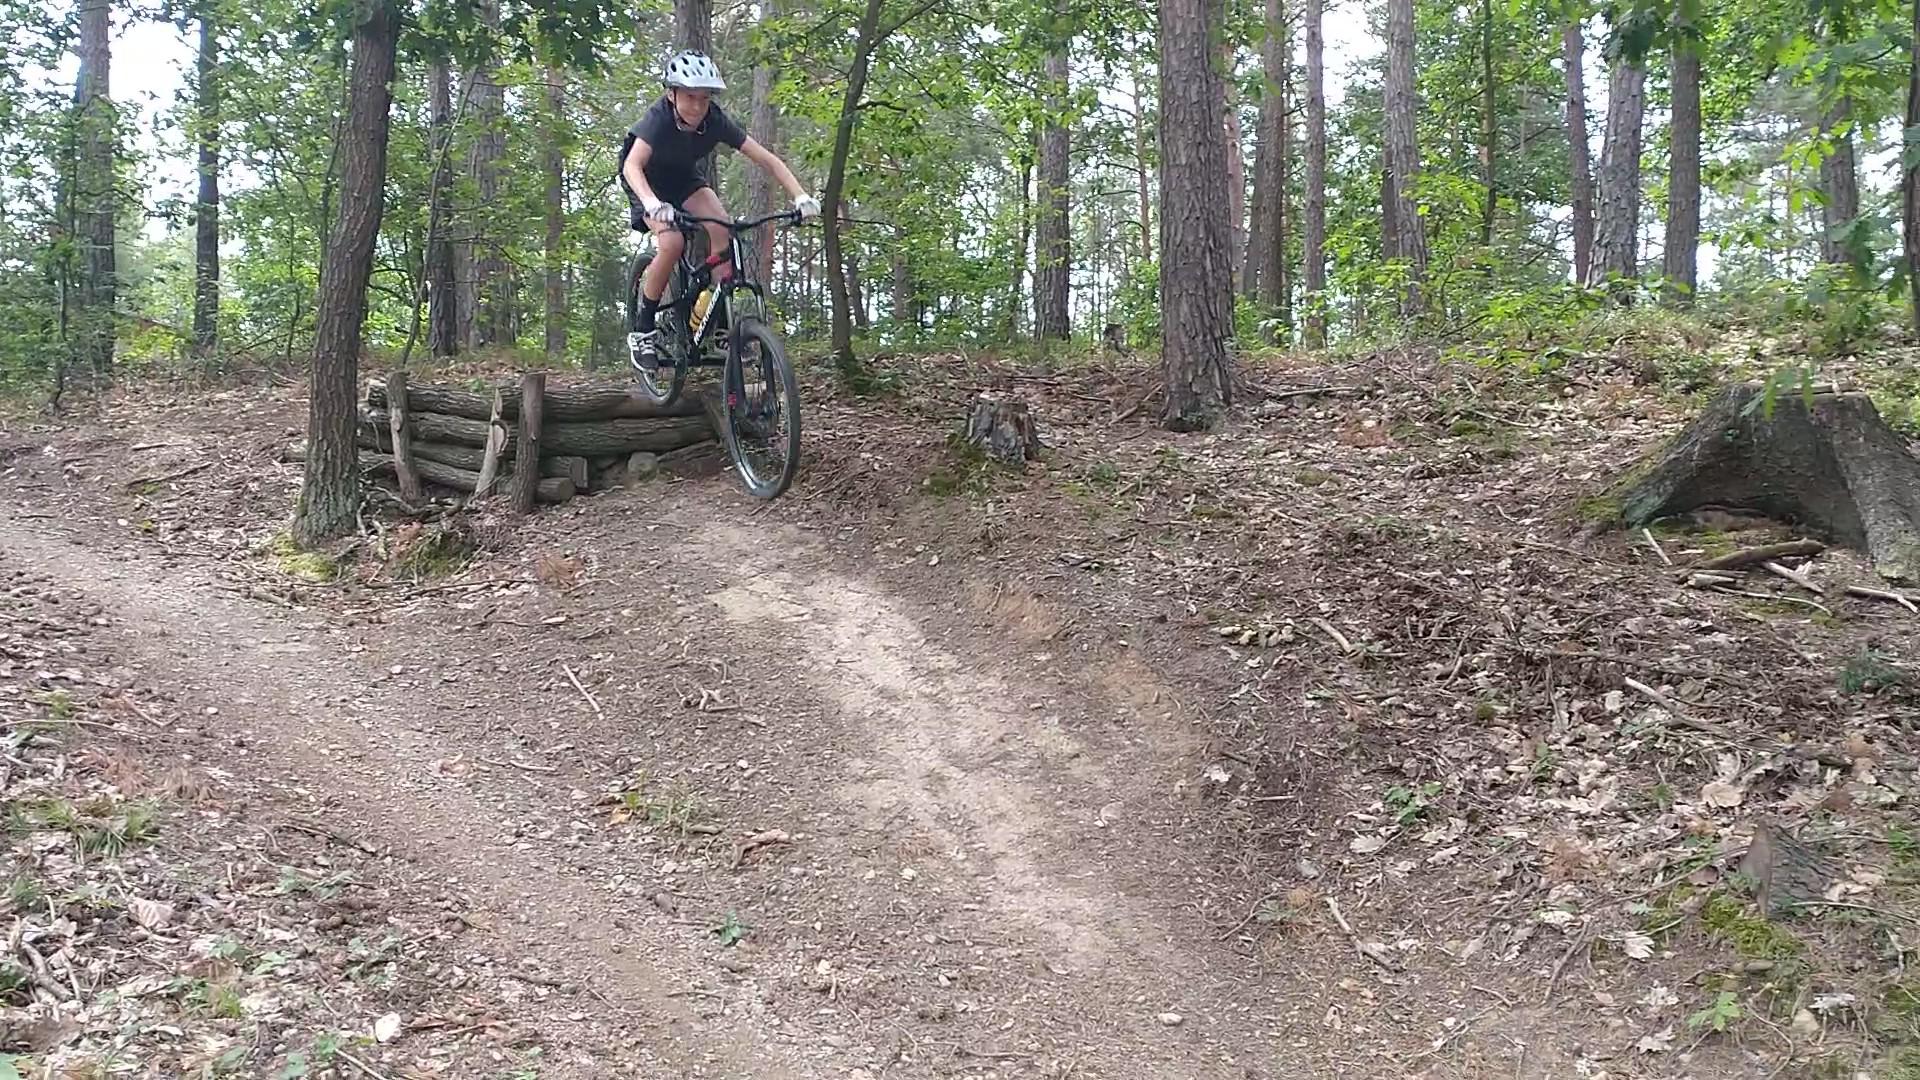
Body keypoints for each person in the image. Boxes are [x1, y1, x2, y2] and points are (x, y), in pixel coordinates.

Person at [619, 49, 820, 372]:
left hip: (683, 178)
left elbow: (766, 158)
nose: (698, 106)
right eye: (690, 97)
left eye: (705, 98)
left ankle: (718, 317)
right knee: (672, 244)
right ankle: (643, 329)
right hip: (645, 181)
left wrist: (800, 196)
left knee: (723, 229)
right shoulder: (658, 119)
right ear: (672, 94)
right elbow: (632, 165)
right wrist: (653, 204)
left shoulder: (715, 121)